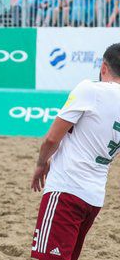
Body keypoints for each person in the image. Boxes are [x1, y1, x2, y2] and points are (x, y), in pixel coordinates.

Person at [30, 43, 120, 260]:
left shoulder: (91, 89)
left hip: (67, 188)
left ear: (103, 67)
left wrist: (42, 163)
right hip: (94, 196)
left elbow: (52, 138)